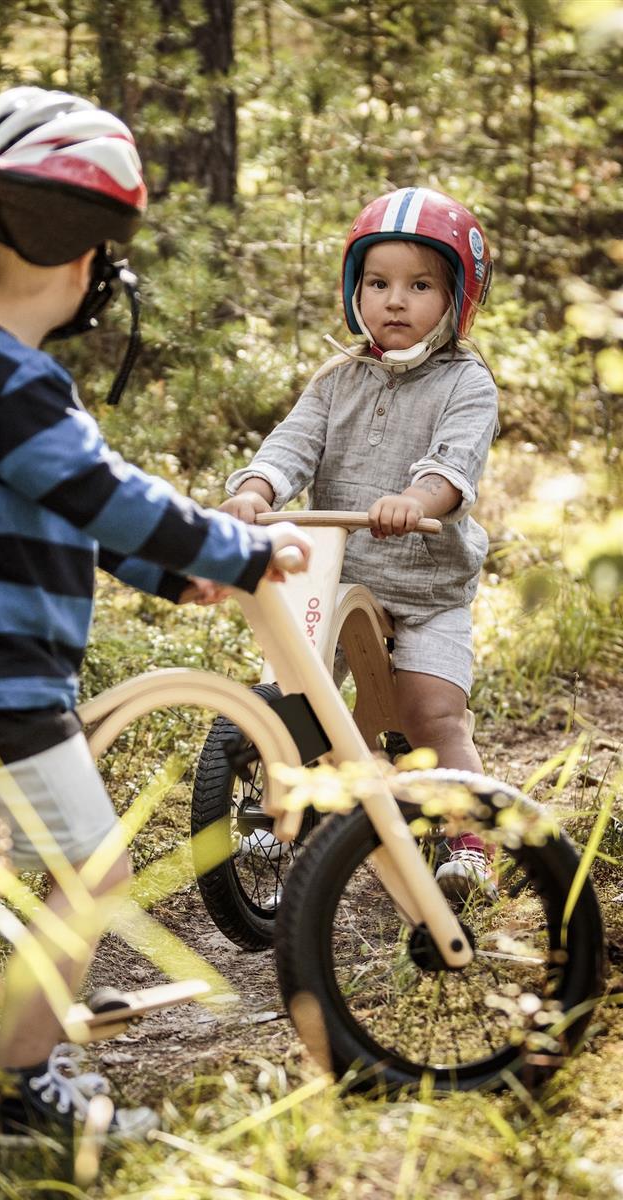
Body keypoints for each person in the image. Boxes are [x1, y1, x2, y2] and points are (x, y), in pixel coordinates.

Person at [0, 86, 311, 1157]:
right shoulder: (19, 384)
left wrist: (167, 580)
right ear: (84, 264)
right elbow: (113, 497)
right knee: (92, 875)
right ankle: (28, 1081)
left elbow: (57, 515)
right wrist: (238, 550)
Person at [220, 186, 498, 900]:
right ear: (355, 290)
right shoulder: (336, 378)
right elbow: (294, 445)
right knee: (298, 689)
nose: (395, 301)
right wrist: (257, 490)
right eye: (378, 283)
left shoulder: (466, 383)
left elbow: (454, 464)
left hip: (426, 589)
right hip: (341, 574)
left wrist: (417, 500)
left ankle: (467, 839)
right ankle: (281, 805)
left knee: (432, 713)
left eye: (419, 285)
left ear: (457, 299)